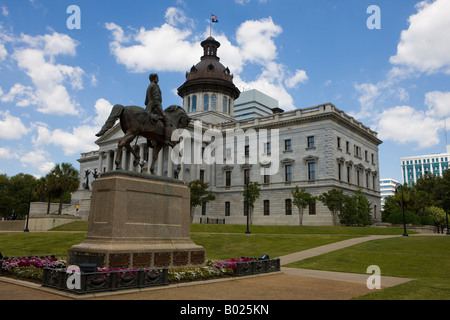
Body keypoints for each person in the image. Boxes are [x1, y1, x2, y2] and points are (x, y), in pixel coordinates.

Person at [145, 73, 174, 147]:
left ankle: (148, 140)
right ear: (154, 78)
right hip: (156, 108)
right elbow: (156, 100)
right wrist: (162, 112)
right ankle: (167, 140)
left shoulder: (149, 86)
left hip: (148, 108)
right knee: (167, 121)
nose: (158, 79)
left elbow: (146, 101)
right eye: (157, 77)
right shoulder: (155, 86)